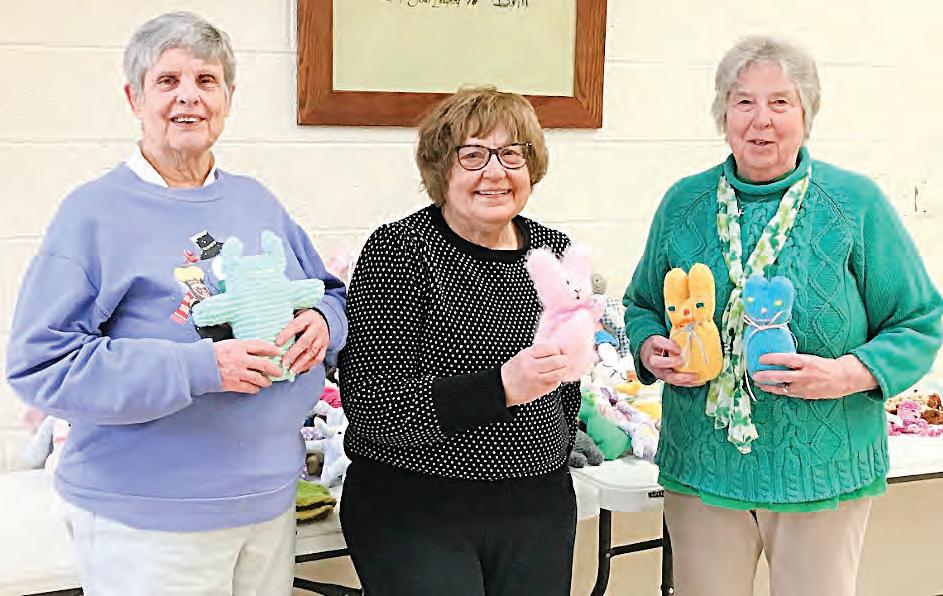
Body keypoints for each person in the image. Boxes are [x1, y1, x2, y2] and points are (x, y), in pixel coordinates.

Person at [5, 12, 347, 596]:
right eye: (168, 80)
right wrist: (200, 369)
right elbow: (41, 364)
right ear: (134, 98)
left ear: (228, 99)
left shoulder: (256, 202)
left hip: (268, 505)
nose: (189, 96)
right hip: (150, 522)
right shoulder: (93, 214)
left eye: (206, 80)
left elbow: (329, 294)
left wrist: (323, 322)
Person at [623, 36, 943, 596]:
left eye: (780, 102)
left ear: (806, 114)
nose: (761, 120)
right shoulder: (683, 204)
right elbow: (642, 305)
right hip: (703, 466)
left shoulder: (854, 203)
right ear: (723, 113)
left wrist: (846, 373)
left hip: (821, 467)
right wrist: (652, 349)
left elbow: (919, 320)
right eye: (743, 102)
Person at [337, 86, 579, 596]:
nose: (495, 172)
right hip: (415, 505)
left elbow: (566, 384)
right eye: (472, 155)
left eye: (512, 154)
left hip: (537, 505)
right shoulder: (399, 250)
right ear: (441, 168)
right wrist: (501, 388)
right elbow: (373, 405)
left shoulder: (554, 251)